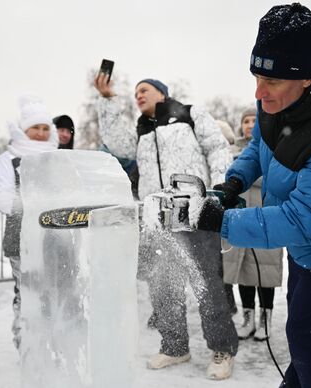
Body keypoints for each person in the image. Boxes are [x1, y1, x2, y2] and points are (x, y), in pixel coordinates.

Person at [190, 4, 311, 387]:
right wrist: (234, 184)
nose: (260, 93)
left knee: (305, 336)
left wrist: (221, 221)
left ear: (307, 78)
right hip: (302, 243)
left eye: (273, 81)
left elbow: (304, 218)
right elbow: (258, 149)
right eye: (257, 77)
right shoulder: (276, 103)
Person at [94, 74, 238, 379]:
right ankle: (174, 346)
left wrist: (217, 191)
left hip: (194, 211)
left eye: (144, 90)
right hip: (156, 216)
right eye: (135, 93)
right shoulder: (141, 129)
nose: (138, 96)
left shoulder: (189, 113)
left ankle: (222, 349)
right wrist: (107, 99)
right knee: (163, 287)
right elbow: (117, 145)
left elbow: (217, 148)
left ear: (161, 92)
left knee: (208, 284)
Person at [0, 94, 58, 350]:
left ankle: (52, 339)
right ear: (24, 130)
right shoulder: (9, 159)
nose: (41, 134)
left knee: (53, 290)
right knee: (26, 291)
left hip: (55, 237)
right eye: (35, 128)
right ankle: (26, 342)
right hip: (21, 237)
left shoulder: (57, 157)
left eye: (45, 128)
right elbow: (2, 197)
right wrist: (33, 206)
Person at [222, 107, 283, 341]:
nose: (249, 125)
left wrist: (244, 175)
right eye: (245, 121)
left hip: (266, 216)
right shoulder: (231, 152)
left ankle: (265, 319)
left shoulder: (273, 150)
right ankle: (248, 318)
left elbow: (270, 176)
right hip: (239, 218)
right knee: (242, 272)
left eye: (253, 120)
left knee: (265, 272)